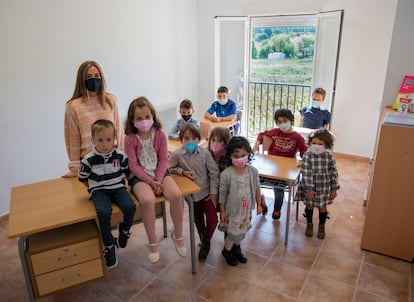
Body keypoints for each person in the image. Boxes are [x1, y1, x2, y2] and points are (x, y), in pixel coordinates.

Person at [124, 96, 186, 263]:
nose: (144, 121)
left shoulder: (160, 134)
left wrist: (158, 179)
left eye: (147, 117)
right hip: (140, 177)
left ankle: (178, 235)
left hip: (160, 173)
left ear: (153, 116)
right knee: (148, 200)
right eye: (139, 118)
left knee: (176, 195)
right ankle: (153, 241)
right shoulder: (130, 138)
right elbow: (133, 166)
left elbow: (164, 160)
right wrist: (151, 182)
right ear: (132, 120)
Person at [78, 119, 136, 269]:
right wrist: (94, 188)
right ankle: (109, 245)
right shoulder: (87, 160)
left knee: (130, 207)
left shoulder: (120, 156)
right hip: (99, 191)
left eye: (108, 140)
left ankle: (124, 231)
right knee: (103, 213)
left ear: (115, 140)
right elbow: (83, 179)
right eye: (100, 140)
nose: (104, 144)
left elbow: (127, 173)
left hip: (118, 187)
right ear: (92, 140)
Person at [169, 123, 220, 261]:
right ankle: (204, 242)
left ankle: (206, 241)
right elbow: (168, 168)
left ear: (199, 139)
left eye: (194, 138)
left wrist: (214, 193)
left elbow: (214, 174)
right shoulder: (177, 154)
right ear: (181, 140)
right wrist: (182, 171)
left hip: (207, 194)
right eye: (186, 138)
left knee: (212, 221)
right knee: (197, 221)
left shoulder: (205, 153)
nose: (190, 142)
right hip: (191, 197)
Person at [64, 60, 123, 178]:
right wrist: (75, 168)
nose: (94, 79)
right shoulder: (74, 106)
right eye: (89, 76)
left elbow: (119, 131)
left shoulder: (111, 100)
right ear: (82, 80)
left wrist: (123, 157)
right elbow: (73, 140)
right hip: (90, 164)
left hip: (113, 161)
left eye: (97, 76)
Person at [253, 108, 307, 220]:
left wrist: (305, 160)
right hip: (270, 166)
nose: (282, 124)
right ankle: (261, 200)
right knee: (254, 181)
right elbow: (262, 134)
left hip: (285, 171)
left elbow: (304, 153)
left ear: (291, 120)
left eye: (284, 121)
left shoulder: (297, 137)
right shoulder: (276, 132)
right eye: (279, 122)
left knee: (279, 189)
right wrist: (257, 143)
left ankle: (277, 209)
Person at [219, 136, 262, 266]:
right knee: (232, 233)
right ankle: (227, 251)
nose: (240, 158)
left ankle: (237, 249)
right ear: (230, 156)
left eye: (243, 155)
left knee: (242, 230)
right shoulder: (226, 174)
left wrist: (259, 204)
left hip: (246, 208)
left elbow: (257, 189)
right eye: (236, 156)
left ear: (249, 153)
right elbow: (222, 194)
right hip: (233, 210)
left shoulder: (253, 171)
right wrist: (222, 211)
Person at [208, 126, 268, 215]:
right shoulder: (208, 154)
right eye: (213, 140)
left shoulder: (231, 157)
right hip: (219, 184)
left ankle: (261, 199)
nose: (216, 144)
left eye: (220, 141)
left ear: (226, 143)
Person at [294, 129, 339, 239]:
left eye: (320, 144)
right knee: (309, 205)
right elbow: (306, 173)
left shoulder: (329, 157)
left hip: (324, 186)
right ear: (309, 143)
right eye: (314, 143)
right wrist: (309, 189)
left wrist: (334, 188)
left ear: (327, 145)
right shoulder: (307, 155)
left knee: (322, 207)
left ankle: (321, 226)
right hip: (309, 186)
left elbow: (334, 172)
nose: (316, 146)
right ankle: (309, 224)